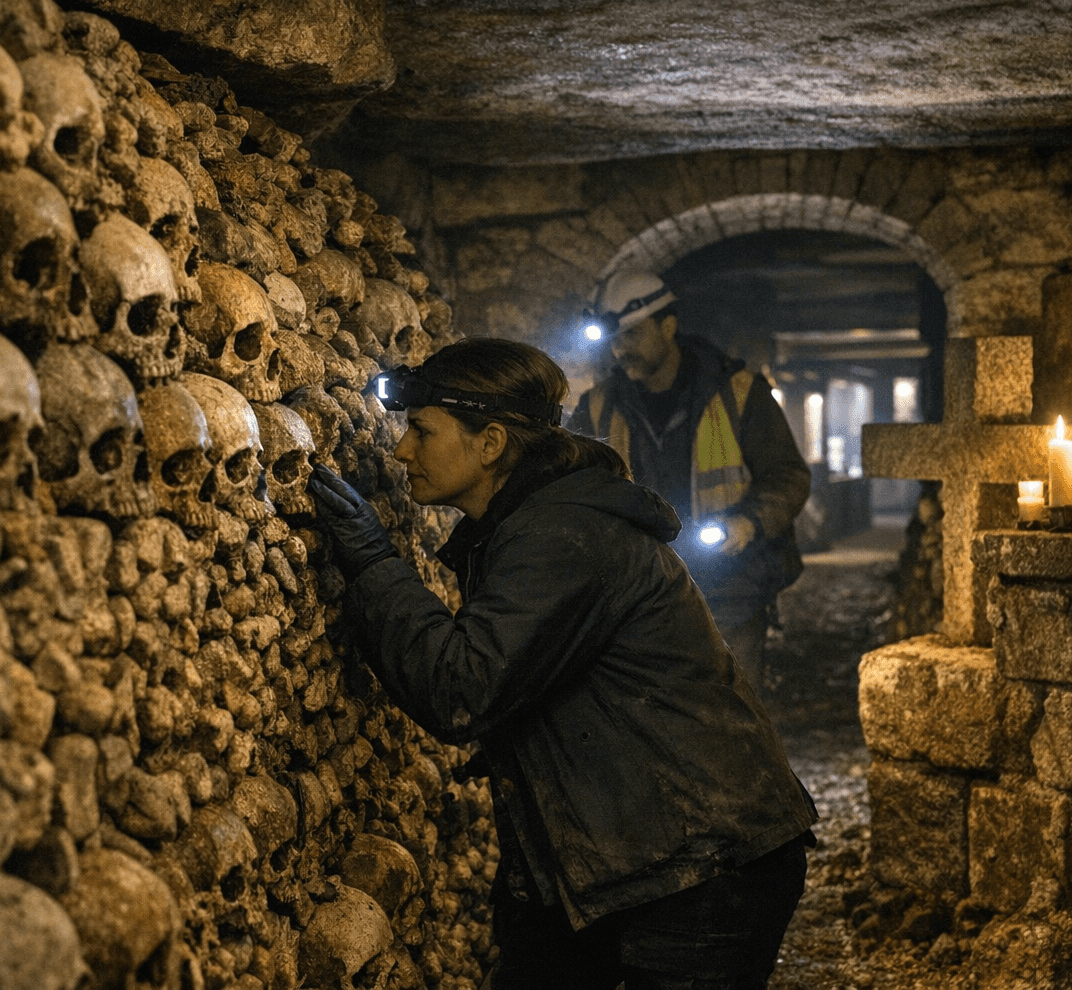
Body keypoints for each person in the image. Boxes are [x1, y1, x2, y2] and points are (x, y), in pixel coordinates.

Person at [309, 337, 816, 990]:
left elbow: (461, 687)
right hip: (615, 862)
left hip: (698, 871)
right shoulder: (528, 526)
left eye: (422, 431)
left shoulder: (564, 537)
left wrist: (374, 565)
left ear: (490, 443)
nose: (403, 451)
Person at [568, 271, 810, 688]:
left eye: (631, 335)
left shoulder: (739, 393)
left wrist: (748, 522)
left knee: (733, 718)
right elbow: (571, 489)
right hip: (638, 595)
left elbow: (787, 475)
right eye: (615, 339)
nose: (620, 349)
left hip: (730, 589)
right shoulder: (598, 407)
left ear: (668, 326)